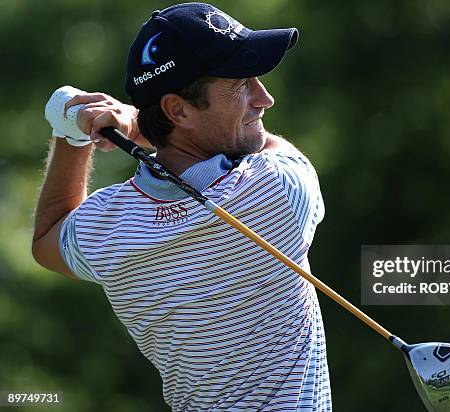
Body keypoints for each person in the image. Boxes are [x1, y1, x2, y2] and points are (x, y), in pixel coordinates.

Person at [32, 3, 331, 411]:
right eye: (241, 84)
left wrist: (71, 135)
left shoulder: (108, 229)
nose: (265, 98)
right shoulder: (278, 192)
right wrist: (137, 125)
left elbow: (47, 237)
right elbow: (267, 145)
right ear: (178, 109)